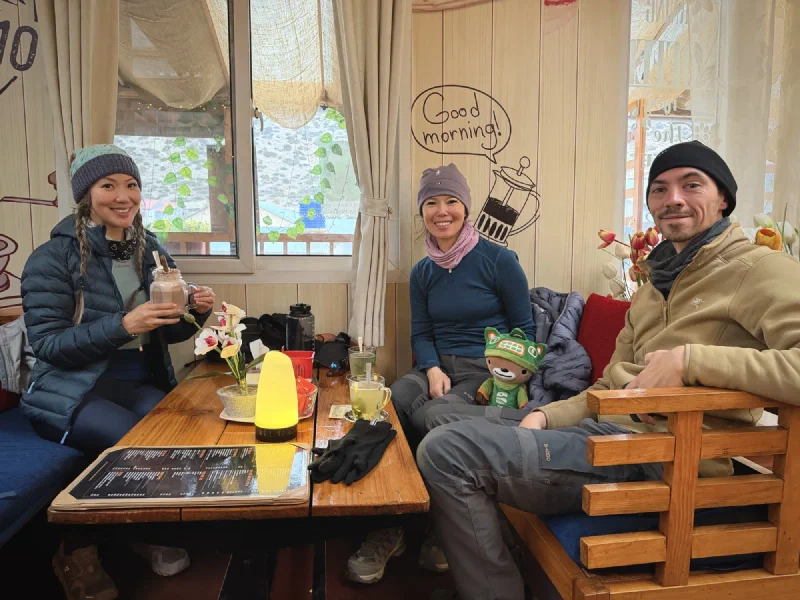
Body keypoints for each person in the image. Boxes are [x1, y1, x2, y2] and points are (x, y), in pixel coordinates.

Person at [417, 140, 800, 600]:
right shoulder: (654, 286)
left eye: (691, 184)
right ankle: (499, 560)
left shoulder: (758, 269)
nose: (672, 198)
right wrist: (548, 415)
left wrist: (690, 360)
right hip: (604, 432)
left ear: (723, 199)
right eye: (659, 189)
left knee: (447, 451)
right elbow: (606, 385)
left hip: (661, 457)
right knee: (437, 415)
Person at [21, 144, 216, 600]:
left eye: (131, 185)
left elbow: (165, 336)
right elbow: (47, 345)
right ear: (86, 195)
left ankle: (142, 530)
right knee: (132, 444)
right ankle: (77, 550)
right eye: (108, 185)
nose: (122, 196)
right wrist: (121, 324)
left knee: (174, 432)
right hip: (70, 389)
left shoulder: (151, 251)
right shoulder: (52, 258)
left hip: (136, 379)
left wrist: (194, 312)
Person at [345, 163, 536, 585]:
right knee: (387, 403)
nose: (441, 210)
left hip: (486, 371)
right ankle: (391, 523)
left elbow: (525, 332)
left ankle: (434, 527)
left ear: (465, 208)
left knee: (433, 418)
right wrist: (430, 367)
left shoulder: (499, 260)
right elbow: (421, 332)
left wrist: (498, 377)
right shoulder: (422, 272)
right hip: (436, 364)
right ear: (422, 211)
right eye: (431, 202)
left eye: (451, 201)